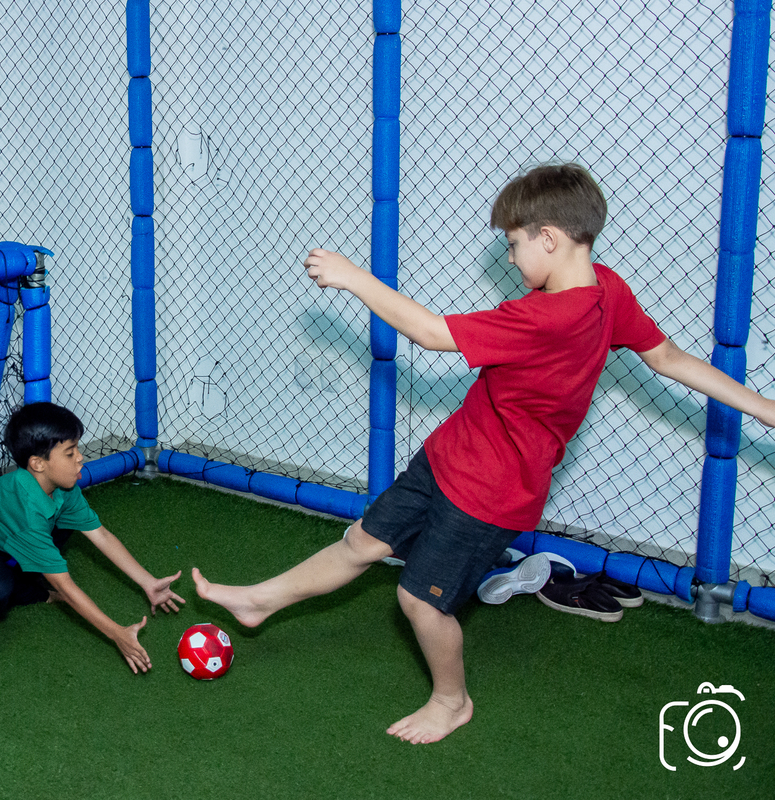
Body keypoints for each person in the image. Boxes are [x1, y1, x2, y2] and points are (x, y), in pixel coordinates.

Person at [192, 163, 775, 743]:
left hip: (490, 493)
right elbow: (667, 356)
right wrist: (762, 406)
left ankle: (452, 701)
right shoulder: (606, 289)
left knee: (419, 601)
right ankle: (259, 601)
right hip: (450, 456)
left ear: (549, 239)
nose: (512, 258)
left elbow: (431, 333)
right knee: (364, 541)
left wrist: (352, 278)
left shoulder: (545, 316)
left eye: (515, 244)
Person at [0, 401, 184, 698]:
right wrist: (117, 633)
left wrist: (148, 582)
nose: (80, 457)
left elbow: (102, 536)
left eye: (77, 448)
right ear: (38, 464)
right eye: (70, 452)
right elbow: (65, 586)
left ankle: (27, 590)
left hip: (2, 543)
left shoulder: (64, 487)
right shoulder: (26, 513)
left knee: (64, 524)